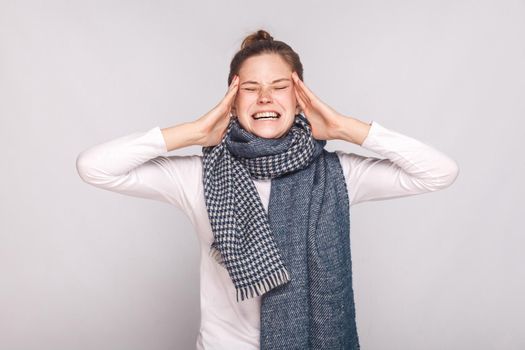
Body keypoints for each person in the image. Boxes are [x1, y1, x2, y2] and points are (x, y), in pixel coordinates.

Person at [76, 29, 459, 350]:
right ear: (231, 99)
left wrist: (344, 128)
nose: (265, 98)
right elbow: (94, 167)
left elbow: (439, 172)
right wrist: (192, 133)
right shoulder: (200, 176)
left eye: (279, 87)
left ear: (300, 98)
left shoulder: (336, 174)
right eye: (250, 88)